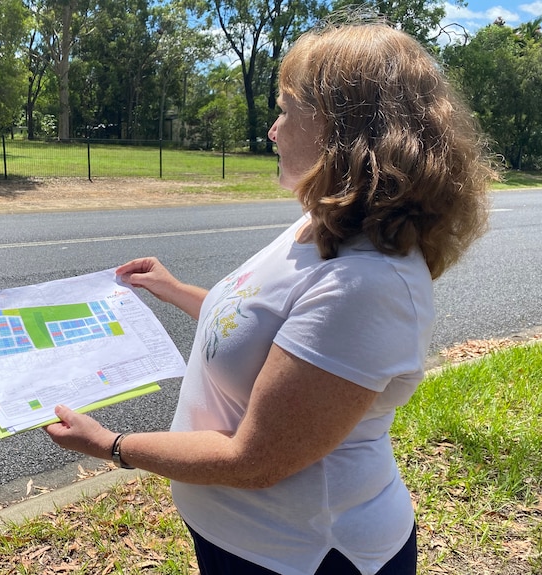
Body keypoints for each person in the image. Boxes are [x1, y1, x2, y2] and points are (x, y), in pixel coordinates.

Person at [45, 19, 495, 575]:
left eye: (286, 110)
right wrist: (177, 290)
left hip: (304, 552)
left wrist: (111, 445)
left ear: (340, 130)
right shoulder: (325, 221)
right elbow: (267, 324)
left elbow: (254, 460)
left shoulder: (368, 283)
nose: (273, 131)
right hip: (243, 535)